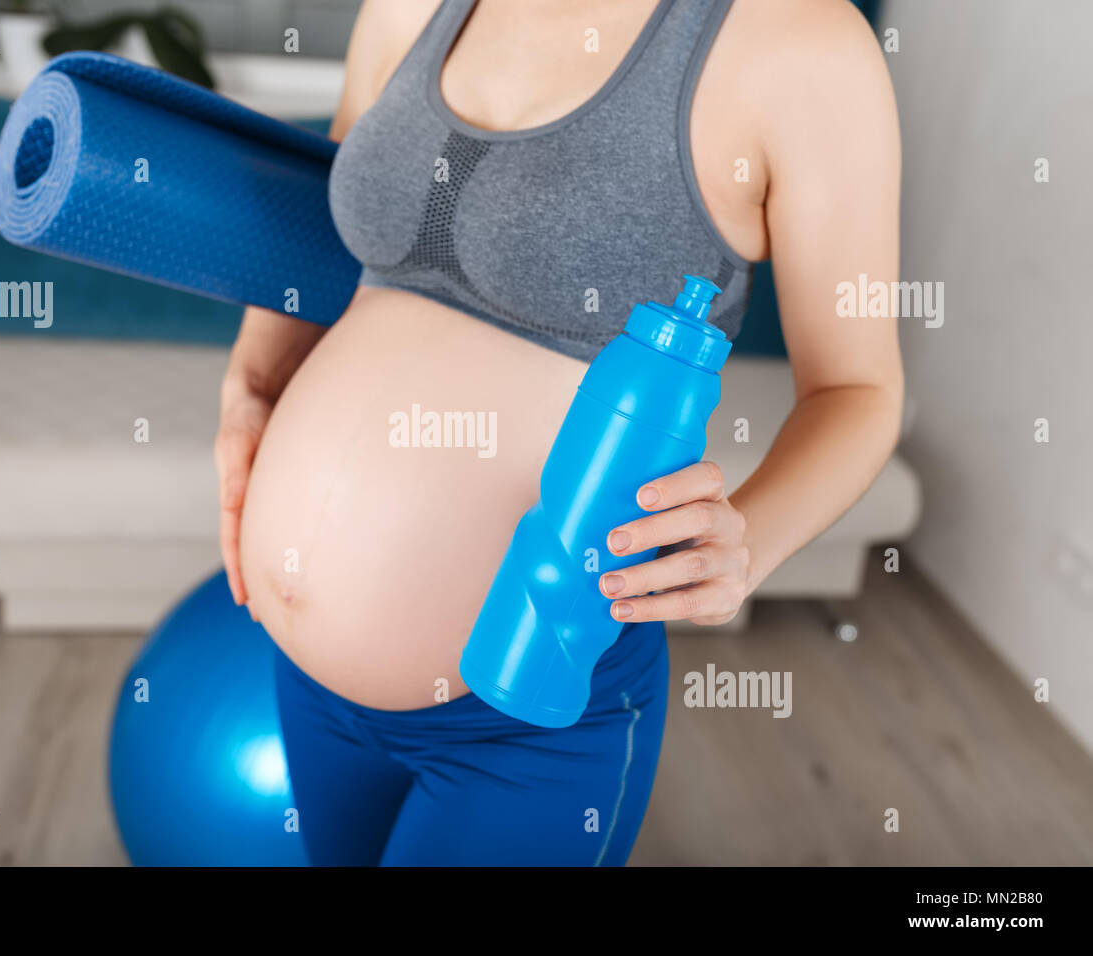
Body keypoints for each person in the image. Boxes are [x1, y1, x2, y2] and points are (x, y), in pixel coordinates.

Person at [215, 0, 901, 865]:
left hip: (527, 717)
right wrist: (253, 382)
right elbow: (328, 228)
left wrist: (746, 548)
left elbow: (857, 388)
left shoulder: (796, 38)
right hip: (306, 680)